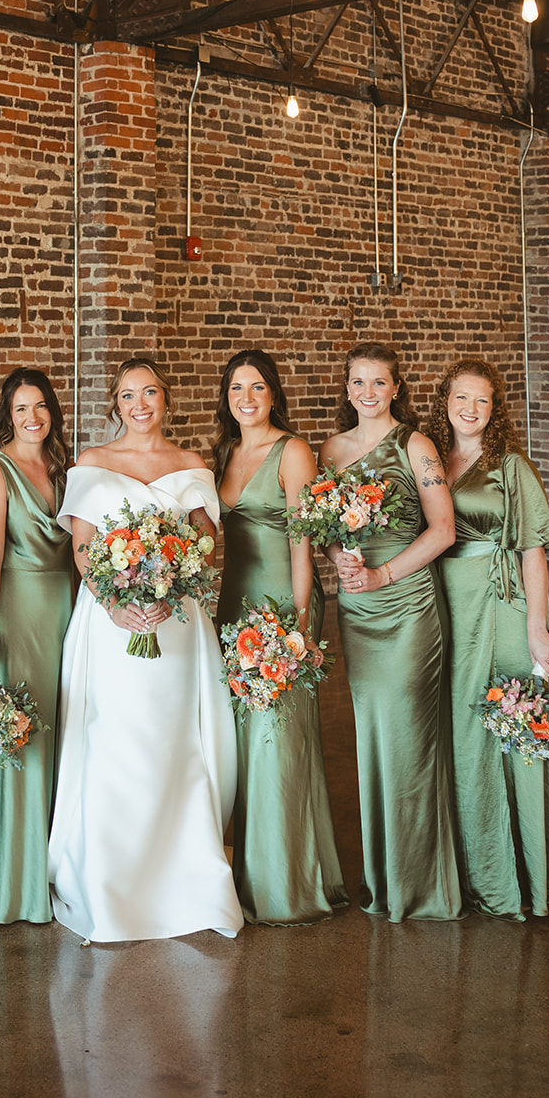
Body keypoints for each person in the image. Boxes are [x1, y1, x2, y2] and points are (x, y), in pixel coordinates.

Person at [48, 356, 242, 942]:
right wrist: (114, 601)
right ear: (115, 405)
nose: (140, 404)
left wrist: (177, 580)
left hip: (175, 620)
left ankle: (183, 876)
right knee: (114, 737)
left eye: (150, 392)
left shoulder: (190, 464)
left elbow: (209, 543)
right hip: (109, 621)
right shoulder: (92, 462)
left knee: (171, 738)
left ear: (165, 399)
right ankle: (111, 881)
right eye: (128, 395)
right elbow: (83, 548)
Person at [425, 357, 549, 918]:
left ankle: (526, 876)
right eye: (460, 398)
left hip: (506, 604)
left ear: (495, 410)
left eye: (481, 401)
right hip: (449, 606)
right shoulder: (432, 462)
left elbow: (533, 548)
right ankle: (473, 870)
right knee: (464, 730)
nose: (469, 409)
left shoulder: (510, 465)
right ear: (445, 402)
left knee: (512, 724)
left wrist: (538, 626)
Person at [319, 341, 462, 922]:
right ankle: (382, 879)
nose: (368, 393)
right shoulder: (330, 450)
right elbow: (322, 523)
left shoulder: (417, 446)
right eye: (358, 382)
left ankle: (420, 885)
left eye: (379, 382)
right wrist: (340, 559)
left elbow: (444, 529)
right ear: (347, 388)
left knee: (409, 737)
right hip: (359, 608)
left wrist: (383, 572)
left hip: (406, 605)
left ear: (396, 388)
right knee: (373, 736)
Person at [214, 350, 347, 924]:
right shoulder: (225, 452)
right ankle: (248, 878)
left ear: (273, 395)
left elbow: (302, 545)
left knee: (278, 743)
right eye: (237, 387)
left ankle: (286, 885)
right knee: (242, 747)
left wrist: (297, 625)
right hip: (232, 606)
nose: (247, 397)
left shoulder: (293, 452)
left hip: (281, 608)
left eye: (258, 387)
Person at [0, 369, 74, 923]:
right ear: (7, 415)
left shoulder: (61, 468)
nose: (32, 418)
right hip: (12, 611)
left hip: (62, 611)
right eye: (21, 409)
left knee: (57, 737)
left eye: (40, 407)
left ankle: (53, 872)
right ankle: (5, 881)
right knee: (17, 736)